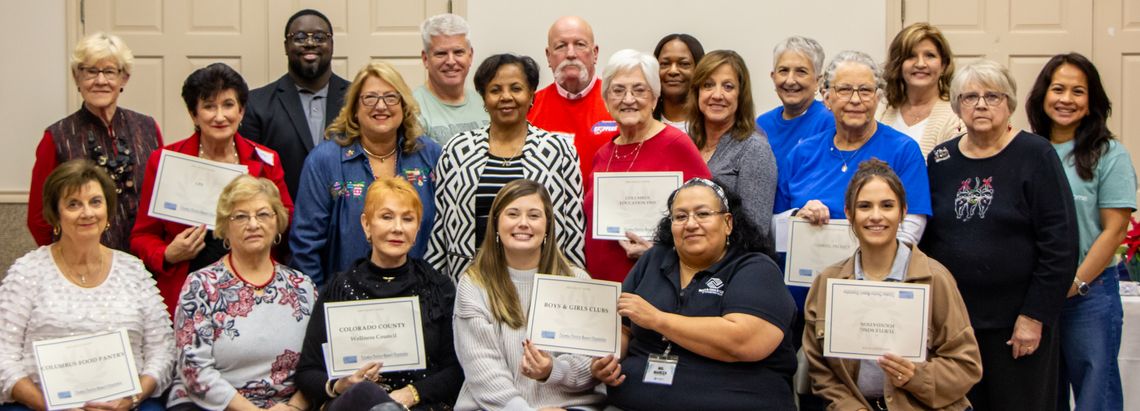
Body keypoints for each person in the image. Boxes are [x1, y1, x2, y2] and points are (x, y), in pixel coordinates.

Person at [920, 60, 1078, 411]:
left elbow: (1060, 245)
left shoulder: (1036, 155)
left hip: (1017, 325)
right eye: (970, 96)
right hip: (955, 325)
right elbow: (927, 239)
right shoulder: (941, 160)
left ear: (1009, 103)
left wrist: (1034, 316)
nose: (980, 105)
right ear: (957, 105)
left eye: (992, 96)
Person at [592, 178, 797, 410]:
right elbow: (624, 327)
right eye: (680, 217)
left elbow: (745, 341)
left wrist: (658, 320)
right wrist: (610, 358)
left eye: (703, 214)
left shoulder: (755, 269)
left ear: (728, 223)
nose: (690, 224)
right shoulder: (654, 259)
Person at [803, 159, 982, 411]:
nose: (876, 216)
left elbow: (966, 365)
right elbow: (821, 372)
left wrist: (916, 376)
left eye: (887, 205)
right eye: (864, 206)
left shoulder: (935, 279)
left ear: (903, 212)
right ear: (849, 213)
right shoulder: (827, 283)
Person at [1, 160, 174, 411]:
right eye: (73, 204)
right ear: (56, 214)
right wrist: (48, 405)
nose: (87, 213)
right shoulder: (27, 271)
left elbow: (162, 351)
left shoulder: (133, 271)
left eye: (95, 202)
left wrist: (132, 399)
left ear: (107, 210)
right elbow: (3, 356)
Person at [774, 51, 932, 324]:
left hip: (873, 300)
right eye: (845, 90)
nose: (855, 100)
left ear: (878, 97)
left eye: (865, 90)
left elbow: (910, 229)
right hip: (804, 301)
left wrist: (870, 276)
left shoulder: (903, 150)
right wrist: (797, 216)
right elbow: (773, 228)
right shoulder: (802, 153)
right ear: (827, 97)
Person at [132, 62, 294, 316]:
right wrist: (167, 254)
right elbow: (142, 236)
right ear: (194, 114)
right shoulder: (165, 160)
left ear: (241, 111)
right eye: (209, 106)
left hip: (255, 287)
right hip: (186, 289)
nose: (220, 116)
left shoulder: (266, 160)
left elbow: (287, 221)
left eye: (228, 105)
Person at [1027, 53, 1137, 411]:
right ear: (1043, 95)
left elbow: (1115, 230)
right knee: (1042, 395)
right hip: (1035, 296)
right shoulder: (1028, 151)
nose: (1066, 99)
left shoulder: (1110, 154)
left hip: (1089, 295)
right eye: (1058, 89)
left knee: (1095, 396)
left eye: (1078, 91)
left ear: (1092, 101)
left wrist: (1075, 283)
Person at [295, 177, 462, 410]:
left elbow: (456, 370)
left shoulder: (438, 288)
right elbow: (307, 372)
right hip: (354, 405)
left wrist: (410, 394)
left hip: (417, 405)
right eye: (386, 217)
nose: (397, 228)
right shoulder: (339, 288)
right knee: (365, 393)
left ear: (417, 228)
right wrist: (340, 385)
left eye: (408, 219)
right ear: (366, 224)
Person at [427, 53, 584, 281]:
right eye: (495, 90)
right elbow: (439, 229)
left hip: (542, 280)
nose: (506, 97)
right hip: (470, 279)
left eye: (516, 88)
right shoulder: (457, 150)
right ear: (483, 98)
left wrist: (572, 286)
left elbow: (574, 230)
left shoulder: (558, 150)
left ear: (531, 94)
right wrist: (437, 288)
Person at [453, 179, 604, 410]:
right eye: (513, 214)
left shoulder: (577, 281)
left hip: (569, 406)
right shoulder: (474, 284)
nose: (523, 223)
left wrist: (552, 370)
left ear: (548, 226)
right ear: (495, 223)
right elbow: (482, 368)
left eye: (534, 216)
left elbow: (590, 364)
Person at [167, 175, 315, 411]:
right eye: (241, 216)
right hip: (212, 406)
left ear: (278, 222)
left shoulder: (302, 286)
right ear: (225, 228)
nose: (253, 224)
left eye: (263, 214)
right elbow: (194, 370)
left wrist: (295, 408)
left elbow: (317, 363)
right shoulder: (200, 285)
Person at [290, 61, 441, 288]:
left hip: (420, 295)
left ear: (404, 105)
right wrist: (322, 299)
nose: (381, 106)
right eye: (370, 98)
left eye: (391, 97)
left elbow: (446, 233)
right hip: (344, 300)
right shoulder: (324, 161)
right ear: (354, 108)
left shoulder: (430, 155)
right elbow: (305, 244)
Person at [28, 32, 164, 252]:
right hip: (82, 261)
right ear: (77, 77)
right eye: (91, 71)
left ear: (124, 78)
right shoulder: (57, 137)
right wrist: (63, 260)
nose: (100, 81)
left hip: (145, 259)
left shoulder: (148, 128)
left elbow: (160, 199)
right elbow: (39, 217)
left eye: (109, 71)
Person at [585, 49, 711, 283]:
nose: (628, 99)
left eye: (639, 90)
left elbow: (710, 219)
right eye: (618, 90)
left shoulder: (676, 144)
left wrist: (660, 251)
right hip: (602, 286)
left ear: (654, 98)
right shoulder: (603, 154)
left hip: (657, 283)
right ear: (606, 99)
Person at [240, 9, 349, 199]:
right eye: (299, 37)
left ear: (332, 45)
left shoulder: (357, 99)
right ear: (286, 46)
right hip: (284, 213)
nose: (310, 43)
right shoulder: (256, 104)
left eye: (319, 37)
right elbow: (250, 175)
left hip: (349, 214)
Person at [686, 49, 776, 243]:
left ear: (740, 95)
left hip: (734, 259)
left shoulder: (754, 149)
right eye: (708, 85)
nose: (717, 95)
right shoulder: (686, 145)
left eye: (728, 87)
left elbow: (756, 231)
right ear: (697, 92)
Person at [527, 16, 619, 182]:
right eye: (561, 46)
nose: (570, 54)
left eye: (580, 44)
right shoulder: (530, 106)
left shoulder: (619, 103)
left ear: (595, 53)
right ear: (548, 56)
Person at [877, 22, 965, 156]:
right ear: (898, 64)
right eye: (910, 56)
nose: (920, 64)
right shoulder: (881, 111)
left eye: (930, 55)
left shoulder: (957, 117)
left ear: (943, 65)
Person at [756, 36, 834, 166]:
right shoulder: (761, 125)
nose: (790, 80)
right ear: (773, 77)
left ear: (818, 81)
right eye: (783, 71)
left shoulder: (830, 122)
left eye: (801, 72)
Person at [413, 13, 489, 145]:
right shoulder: (412, 108)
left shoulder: (485, 102)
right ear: (425, 59)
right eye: (441, 53)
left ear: (470, 56)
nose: (451, 61)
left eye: (458, 52)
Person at [652, 33, 705, 131]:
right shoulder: (641, 124)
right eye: (665, 64)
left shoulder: (711, 126)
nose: (673, 71)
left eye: (684, 64)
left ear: (699, 69)